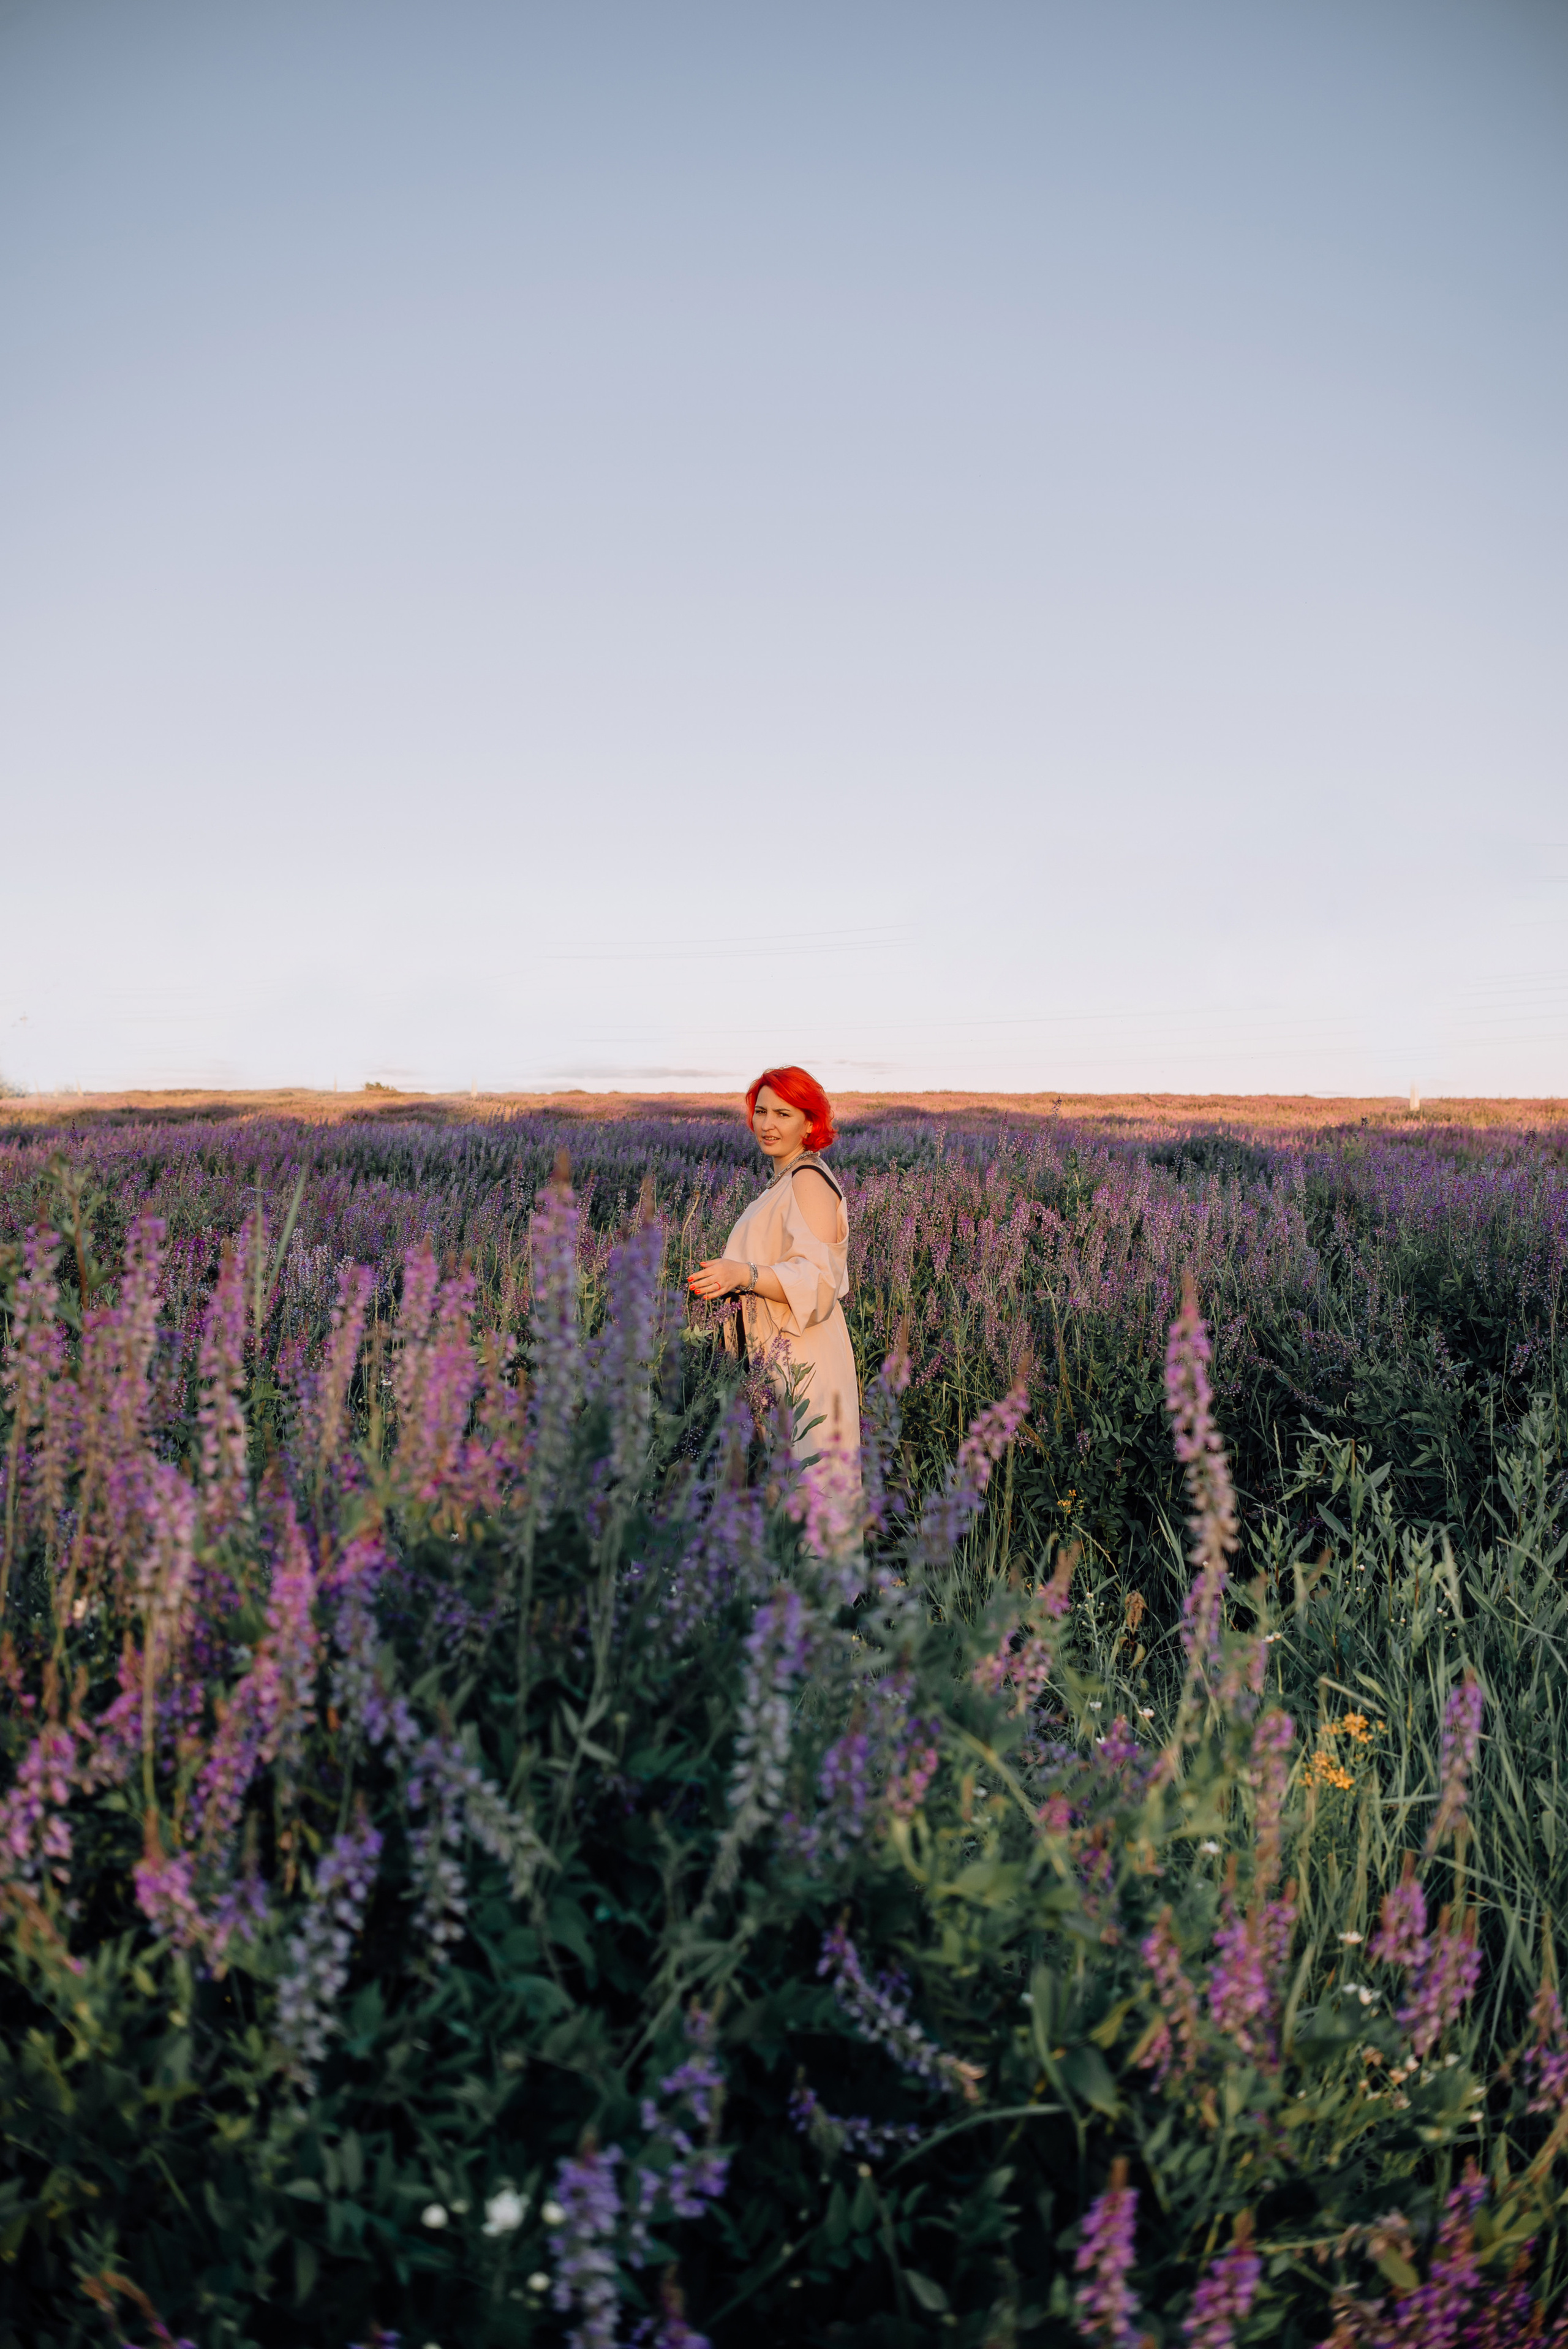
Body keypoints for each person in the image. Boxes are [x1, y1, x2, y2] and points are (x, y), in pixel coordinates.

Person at [686, 1065, 861, 1478]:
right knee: (783, 1491)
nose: (767, 1125)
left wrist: (743, 1275)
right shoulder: (785, 1180)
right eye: (761, 1112)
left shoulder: (808, 1181)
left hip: (803, 1357)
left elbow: (818, 1280)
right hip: (776, 1353)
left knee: (812, 1491)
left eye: (783, 1114)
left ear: (811, 1123)